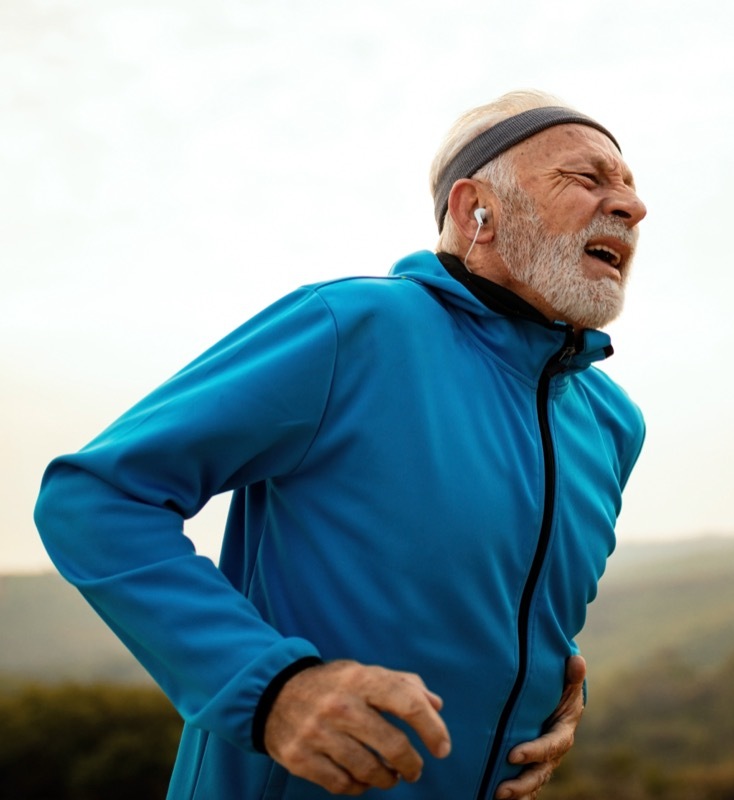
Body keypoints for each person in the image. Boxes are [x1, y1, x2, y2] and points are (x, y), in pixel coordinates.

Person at [33, 89, 647, 800]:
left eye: (631, 189)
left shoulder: (610, 421)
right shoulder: (356, 329)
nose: (631, 207)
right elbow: (94, 497)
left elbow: (484, 594)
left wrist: (545, 690)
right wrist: (272, 689)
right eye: (588, 178)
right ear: (476, 208)